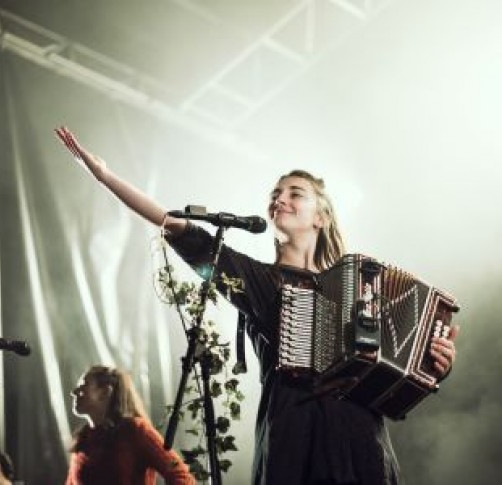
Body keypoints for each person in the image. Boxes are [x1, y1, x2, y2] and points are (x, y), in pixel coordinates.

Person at [55, 126, 459, 485]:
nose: (280, 199)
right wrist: (104, 176)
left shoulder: (360, 289)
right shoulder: (255, 278)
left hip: (361, 444)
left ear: (321, 216)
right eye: (275, 195)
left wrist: (434, 360)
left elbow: (399, 368)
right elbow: (172, 224)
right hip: (294, 439)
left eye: (294, 194)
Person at [66, 365, 195, 485]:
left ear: (105, 392)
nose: (74, 392)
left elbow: (181, 475)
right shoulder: (83, 440)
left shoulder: (135, 430)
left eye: (83, 385)